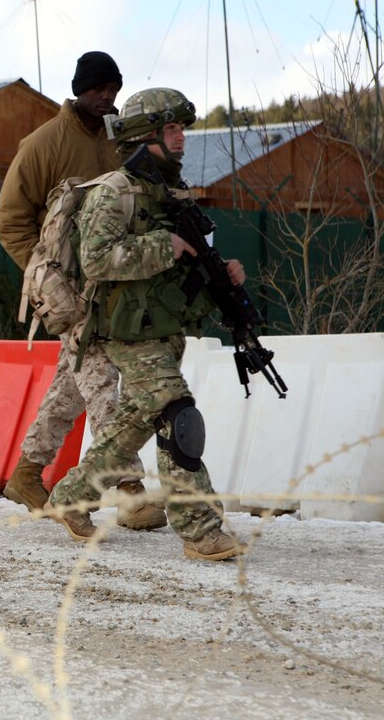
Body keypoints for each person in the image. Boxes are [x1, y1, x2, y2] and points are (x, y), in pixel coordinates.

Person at [45, 88, 248, 561]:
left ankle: (70, 497)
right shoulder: (112, 192)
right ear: (146, 136)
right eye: (171, 130)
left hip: (161, 327)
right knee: (179, 416)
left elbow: (186, 260)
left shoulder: (171, 191)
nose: (181, 139)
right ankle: (200, 529)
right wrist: (165, 246)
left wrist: (223, 272)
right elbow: (96, 261)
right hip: (123, 332)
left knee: (132, 425)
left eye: (181, 129)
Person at [0, 51, 165, 530]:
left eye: (113, 88)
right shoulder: (44, 143)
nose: (107, 97)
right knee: (101, 385)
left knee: (72, 384)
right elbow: (9, 218)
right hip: (70, 292)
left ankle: (27, 474)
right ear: (79, 89)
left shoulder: (121, 139)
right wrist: (46, 273)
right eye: (97, 89)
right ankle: (131, 492)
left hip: (114, 286)